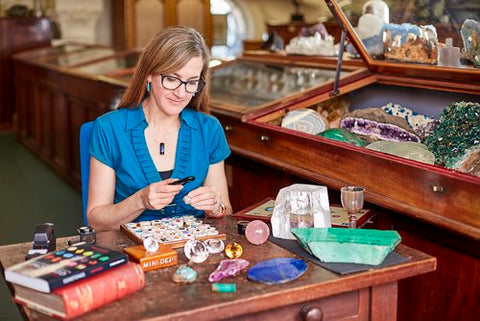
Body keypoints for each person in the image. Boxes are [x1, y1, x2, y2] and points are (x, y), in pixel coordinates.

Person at [86, 26, 232, 232]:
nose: (181, 93)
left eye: (191, 82)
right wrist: (140, 200)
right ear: (148, 75)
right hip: (131, 248)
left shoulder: (209, 129)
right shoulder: (109, 128)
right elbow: (96, 221)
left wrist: (216, 207)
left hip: (192, 248)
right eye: (172, 79)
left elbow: (226, 211)